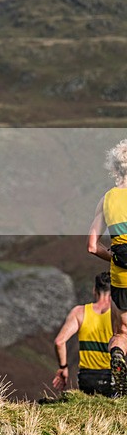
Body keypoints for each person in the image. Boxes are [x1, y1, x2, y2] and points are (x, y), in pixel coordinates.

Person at [88, 138, 127, 394]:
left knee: (122, 331)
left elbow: (92, 245)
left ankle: (118, 352)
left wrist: (113, 257)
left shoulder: (107, 199)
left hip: (121, 271)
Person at [52, 272, 114, 397]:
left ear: (94, 290)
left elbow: (59, 342)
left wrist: (63, 368)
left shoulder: (79, 312)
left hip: (87, 377)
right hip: (112, 376)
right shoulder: (120, 314)